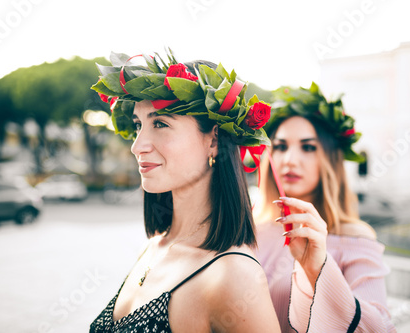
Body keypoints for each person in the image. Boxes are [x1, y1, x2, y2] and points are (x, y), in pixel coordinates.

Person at [89, 51, 281, 332]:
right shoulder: (154, 245)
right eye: (138, 125)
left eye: (160, 123)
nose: (137, 145)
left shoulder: (233, 275)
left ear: (213, 139)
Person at [253, 83, 397, 332]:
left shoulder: (354, 239)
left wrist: (318, 268)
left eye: (308, 147)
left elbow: (379, 328)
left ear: (330, 159)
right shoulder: (248, 230)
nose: (290, 160)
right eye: (280, 146)